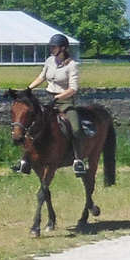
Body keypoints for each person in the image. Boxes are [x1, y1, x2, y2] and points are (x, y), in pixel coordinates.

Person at [17, 32, 90, 177]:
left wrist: (58, 97)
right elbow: (42, 77)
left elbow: (73, 89)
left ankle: (78, 160)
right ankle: (25, 160)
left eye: (54, 47)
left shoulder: (72, 65)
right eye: (51, 47)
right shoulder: (49, 61)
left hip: (65, 102)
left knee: (75, 128)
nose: (51, 49)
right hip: (48, 99)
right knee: (32, 124)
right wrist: (28, 89)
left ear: (63, 48)